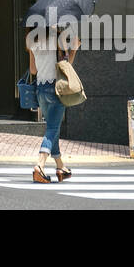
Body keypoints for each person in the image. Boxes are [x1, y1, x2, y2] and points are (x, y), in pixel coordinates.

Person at [26, 21, 79, 183]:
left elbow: (33, 71)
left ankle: (60, 167)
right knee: (53, 128)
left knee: (52, 128)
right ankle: (40, 165)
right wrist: (74, 49)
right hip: (55, 89)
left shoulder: (32, 42)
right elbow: (66, 65)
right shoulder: (57, 39)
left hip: (40, 90)